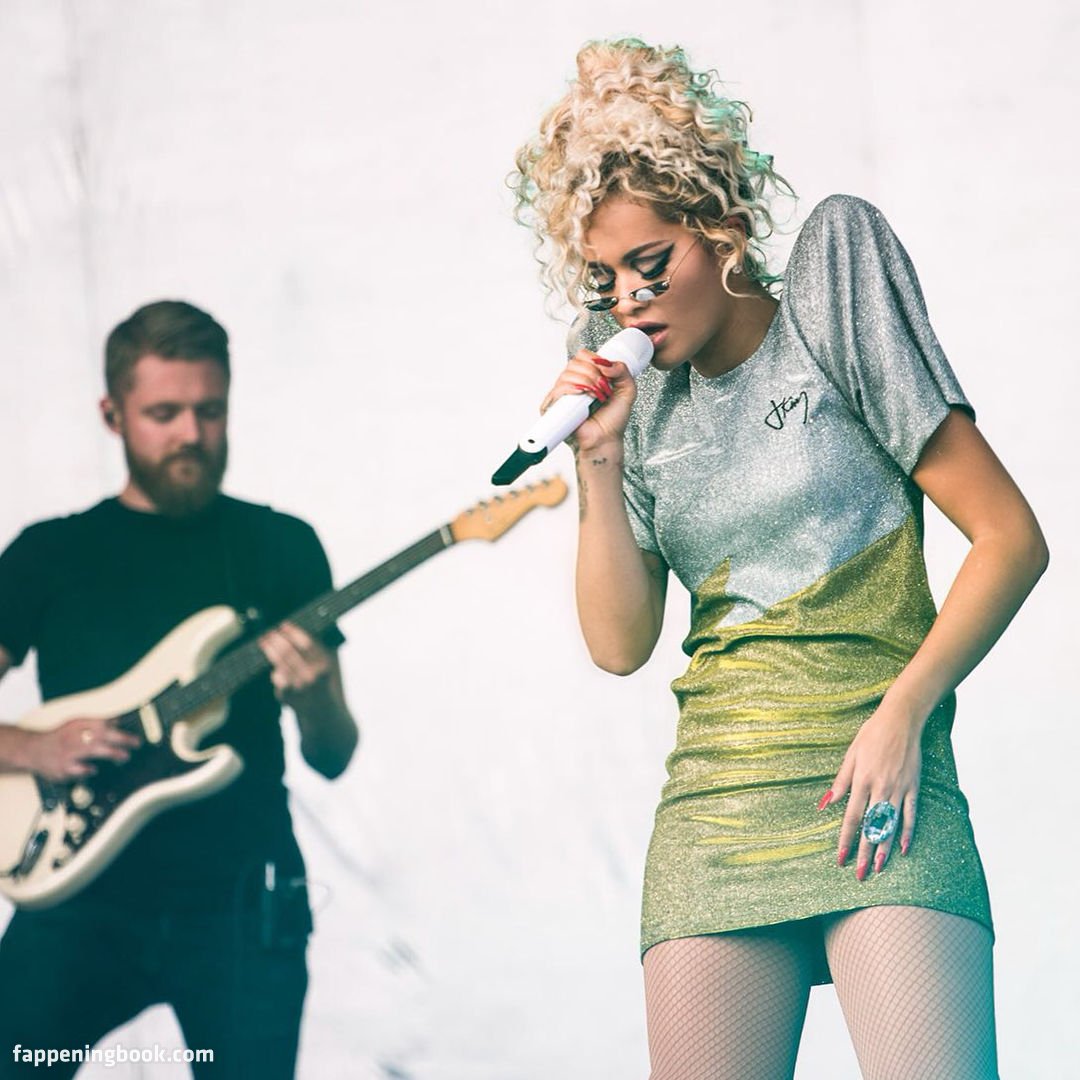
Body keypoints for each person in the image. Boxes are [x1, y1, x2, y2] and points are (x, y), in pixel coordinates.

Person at [513, 38, 1048, 1080]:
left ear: (718, 229)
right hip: (717, 811)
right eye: (604, 279)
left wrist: (903, 714)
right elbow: (619, 646)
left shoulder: (831, 286)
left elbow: (1010, 539)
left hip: (883, 787)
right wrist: (599, 459)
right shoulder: (633, 390)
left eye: (650, 264)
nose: (629, 299)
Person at [0, 300, 358, 1078]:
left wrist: (313, 696)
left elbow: (333, 755)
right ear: (112, 415)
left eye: (210, 410)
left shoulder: (282, 546)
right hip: (77, 898)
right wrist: (31, 746)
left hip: (242, 909)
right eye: (163, 414)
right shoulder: (47, 555)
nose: (191, 434)